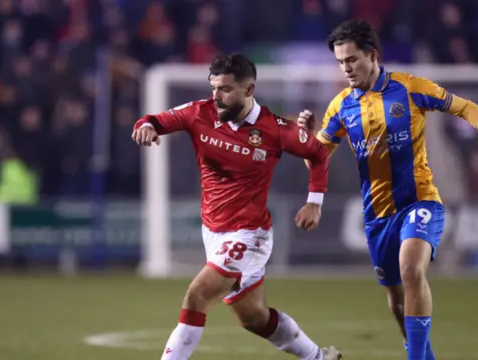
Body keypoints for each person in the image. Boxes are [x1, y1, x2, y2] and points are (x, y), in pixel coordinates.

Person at [296, 20, 478, 360]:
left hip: (419, 200)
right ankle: (420, 351)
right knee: (395, 299)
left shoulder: (409, 88)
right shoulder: (341, 106)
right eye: (340, 62)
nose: (346, 68)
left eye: (351, 60)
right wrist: (306, 139)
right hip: (377, 215)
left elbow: (464, 106)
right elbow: (316, 160)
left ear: (373, 55)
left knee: (411, 267)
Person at [132, 53, 342, 360]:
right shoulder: (198, 113)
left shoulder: (277, 128)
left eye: (225, 90)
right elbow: (154, 119)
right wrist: (146, 126)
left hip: (249, 234)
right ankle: (319, 358)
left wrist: (314, 201)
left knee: (197, 295)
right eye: (213, 88)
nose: (216, 97)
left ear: (249, 89)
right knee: (254, 318)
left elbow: (319, 154)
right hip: (214, 232)